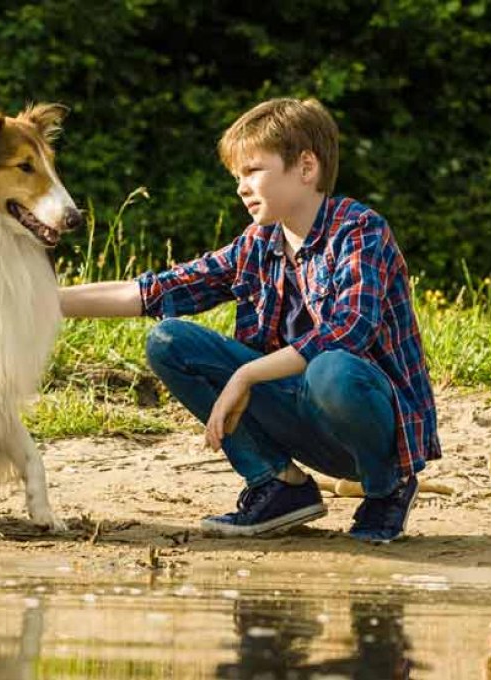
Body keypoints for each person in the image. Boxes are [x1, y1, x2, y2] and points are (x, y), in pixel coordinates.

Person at [59, 97, 440, 542]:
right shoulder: (258, 242)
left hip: (373, 428)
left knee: (331, 366)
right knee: (169, 340)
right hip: (304, 421)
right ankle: (279, 485)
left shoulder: (359, 229)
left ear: (306, 168)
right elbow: (155, 291)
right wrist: (41, 300)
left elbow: (349, 329)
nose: (241, 187)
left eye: (253, 170)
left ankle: (387, 488)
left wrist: (246, 375)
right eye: (237, 176)